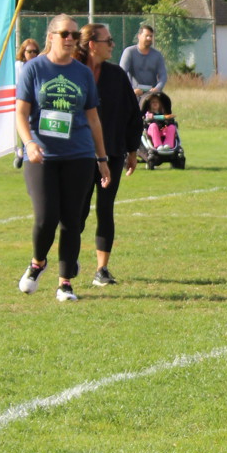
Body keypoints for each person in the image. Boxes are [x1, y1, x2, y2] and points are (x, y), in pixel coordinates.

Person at [15, 14, 110, 302]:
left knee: (71, 220)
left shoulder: (82, 73)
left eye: (74, 35)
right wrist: (29, 143)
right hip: (42, 156)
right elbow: (21, 113)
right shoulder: (33, 68)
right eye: (65, 34)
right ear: (51, 36)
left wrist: (102, 159)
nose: (70, 39)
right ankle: (37, 262)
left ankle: (65, 283)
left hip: (79, 155)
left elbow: (93, 118)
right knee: (46, 217)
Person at [78, 23, 142, 288]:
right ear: (92, 44)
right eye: (108, 40)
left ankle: (101, 269)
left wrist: (132, 149)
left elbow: (132, 113)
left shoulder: (116, 75)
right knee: (77, 211)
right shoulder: (73, 72)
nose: (113, 45)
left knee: (105, 209)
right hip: (79, 154)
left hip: (113, 152)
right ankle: (69, 259)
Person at [12, 38, 40, 168]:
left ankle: (24, 152)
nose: (33, 54)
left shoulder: (40, 67)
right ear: (23, 52)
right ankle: (22, 152)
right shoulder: (19, 67)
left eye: (35, 51)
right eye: (29, 51)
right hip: (21, 102)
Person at [119, 24, 168, 100]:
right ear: (139, 36)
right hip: (134, 95)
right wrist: (131, 90)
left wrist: (157, 88)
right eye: (146, 36)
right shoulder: (129, 52)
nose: (149, 38)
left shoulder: (157, 55)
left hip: (151, 96)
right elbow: (121, 74)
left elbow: (163, 75)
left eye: (151, 36)